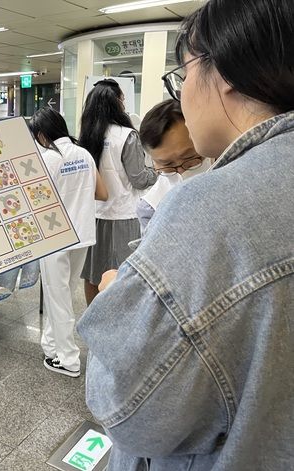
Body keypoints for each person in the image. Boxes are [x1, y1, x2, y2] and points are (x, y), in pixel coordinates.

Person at [76, 0, 294, 469]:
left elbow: (131, 411)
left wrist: (118, 301)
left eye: (184, 72)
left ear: (229, 71)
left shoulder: (210, 208)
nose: (183, 91)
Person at [29, 107, 107, 377]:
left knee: (57, 297)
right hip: (82, 234)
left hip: (55, 239)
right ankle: (51, 345)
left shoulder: (47, 159)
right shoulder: (84, 153)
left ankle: (68, 359)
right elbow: (101, 192)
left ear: (41, 134)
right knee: (62, 294)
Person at [78, 79, 157, 304]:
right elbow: (140, 179)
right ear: (117, 103)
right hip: (123, 215)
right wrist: (158, 171)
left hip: (95, 215)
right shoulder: (127, 135)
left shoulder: (87, 136)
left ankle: (92, 321)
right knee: (123, 275)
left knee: (93, 274)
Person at [136, 99, 210, 233]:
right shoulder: (151, 208)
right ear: (153, 162)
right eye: (168, 164)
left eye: (190, 158)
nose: (181, 172)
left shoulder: (233, 173)